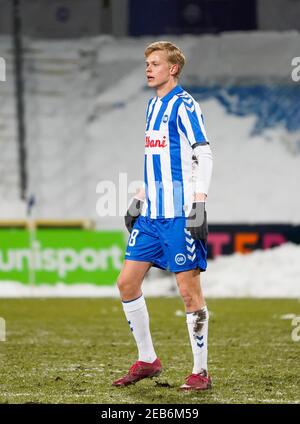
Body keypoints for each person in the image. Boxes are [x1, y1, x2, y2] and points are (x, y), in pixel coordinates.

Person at [112, 41, 213, 391]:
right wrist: (139, 197)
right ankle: (148, 359)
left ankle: (200, 373)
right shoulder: (152, 106)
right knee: (127, 283)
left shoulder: (185, 105)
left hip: (179, 216)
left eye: (155, 63)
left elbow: (204, 153)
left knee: (188, 293)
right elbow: (155, 160)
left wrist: (199, 203)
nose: (148, 68)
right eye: (146, 63)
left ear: (172, 68)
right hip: (152, 216)